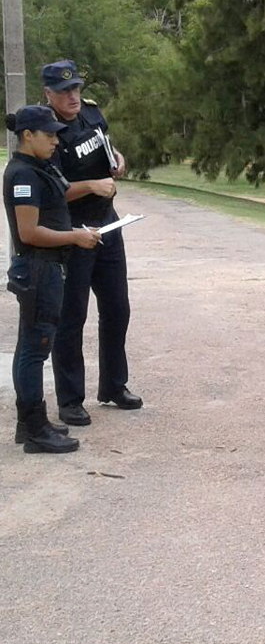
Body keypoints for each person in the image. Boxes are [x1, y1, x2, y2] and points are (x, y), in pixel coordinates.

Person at [42, 60, 141, 425]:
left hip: (108, 225)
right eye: (64, 91)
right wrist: (90, 186)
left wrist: (117, 161)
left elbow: (107, 150)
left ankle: (114, 385)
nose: (73, 97)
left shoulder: (92, 115)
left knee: (118, 308)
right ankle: (70, 399)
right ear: (48, 94)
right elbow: (49, 192)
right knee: (72, 317)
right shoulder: (46, 132)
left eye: (76, 89)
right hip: (72, 232)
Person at [5, 105, 101, 452]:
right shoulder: (23, 176)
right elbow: (29, 233)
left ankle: (30, 423)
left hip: (45, 268)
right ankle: (34, 430)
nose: (56, 142)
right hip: (39, 268)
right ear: (27, 136)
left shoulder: (38, 168)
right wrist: (74, 236)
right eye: (48, 135)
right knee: (35, 350)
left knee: (30, 347)